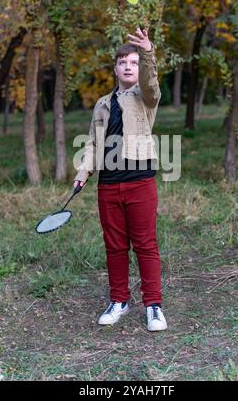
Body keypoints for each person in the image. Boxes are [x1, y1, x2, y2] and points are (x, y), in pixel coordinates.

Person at [73, 27, 167, 331]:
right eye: (123, 62)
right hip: (108, 185)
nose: (129, 67)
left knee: (145, 244)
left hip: (140, 182)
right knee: (114, 245)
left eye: (134, 63)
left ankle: (153, 305)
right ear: (115, 68)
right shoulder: (102, 104)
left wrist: (148, 52)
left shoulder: (146, 97)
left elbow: (152, 84)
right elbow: (92, 142)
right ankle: (119, 301)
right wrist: (83, 171)